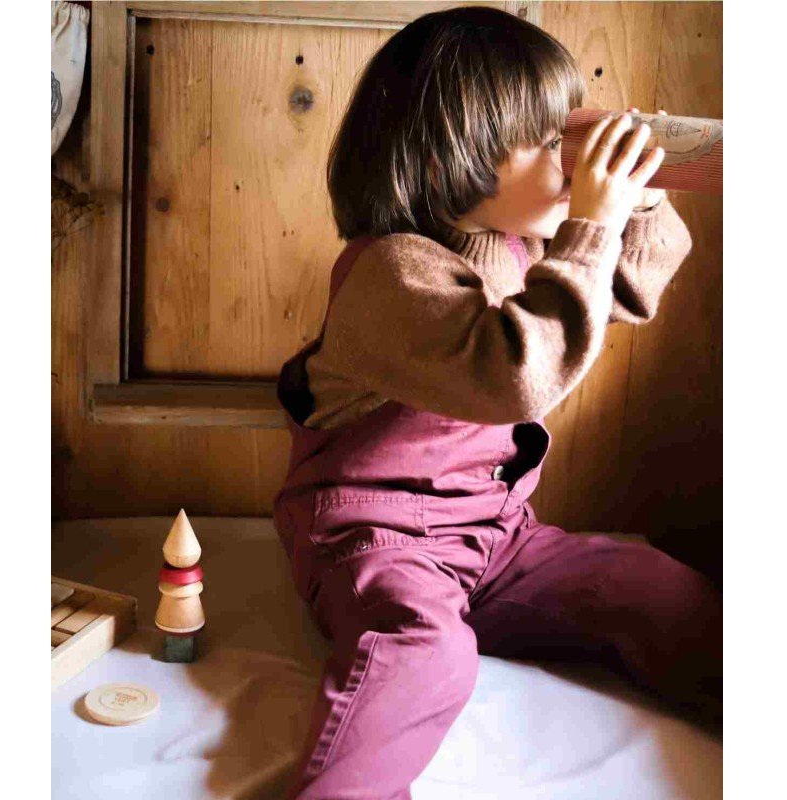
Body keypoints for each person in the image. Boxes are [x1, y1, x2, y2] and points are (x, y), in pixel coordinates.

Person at [273, 7, 721, 799]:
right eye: (550, 143)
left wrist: (637, 197)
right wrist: (590, 223)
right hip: (375, 539)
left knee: (655, 589)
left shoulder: (529, 248)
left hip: (496, 538)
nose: (570, 162)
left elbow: (623, 284)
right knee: (424, 651)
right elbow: (513, 373)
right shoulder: (390, 273)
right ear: (463, 154)